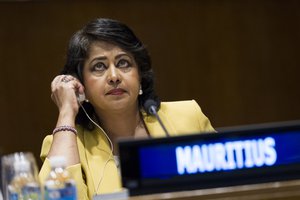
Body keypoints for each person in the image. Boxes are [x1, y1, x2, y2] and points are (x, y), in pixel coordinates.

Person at [39, 18, 215, 199]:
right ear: (81, 84)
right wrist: (67, 111)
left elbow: (229, 188)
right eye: (99, 66)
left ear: (140, 75)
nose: (114, 76)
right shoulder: (68, 145)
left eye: (123, 63)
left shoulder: (187, 118)